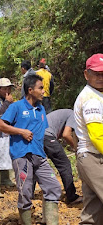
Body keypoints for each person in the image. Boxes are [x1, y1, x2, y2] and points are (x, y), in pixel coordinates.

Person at [0, 74, 61, 224]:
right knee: (25, 191)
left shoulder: (41, 109)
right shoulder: (16, 107)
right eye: (40, 88)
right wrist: (21, 131)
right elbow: (0, 125)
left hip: (39, 156)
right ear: (30, 90)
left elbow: (42, 133)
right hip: (22, 156)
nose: (43, 91)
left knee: (54, 186)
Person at [74, 53, 103, 224]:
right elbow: (97, 136)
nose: (100, 77)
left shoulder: (97, 95)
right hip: (93, 157)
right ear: (86, 74)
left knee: (93, 211)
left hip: (90, 157)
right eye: (96, 73)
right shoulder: (90, 99)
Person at [44, 109, 82, 205]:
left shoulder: (64, 113)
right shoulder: (73, 114)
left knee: (38, 164)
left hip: (39, 136)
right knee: (64, 165)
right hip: (47, 136)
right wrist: (76, 147)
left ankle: (30, 193)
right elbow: (66, 134)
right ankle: (72, 197)